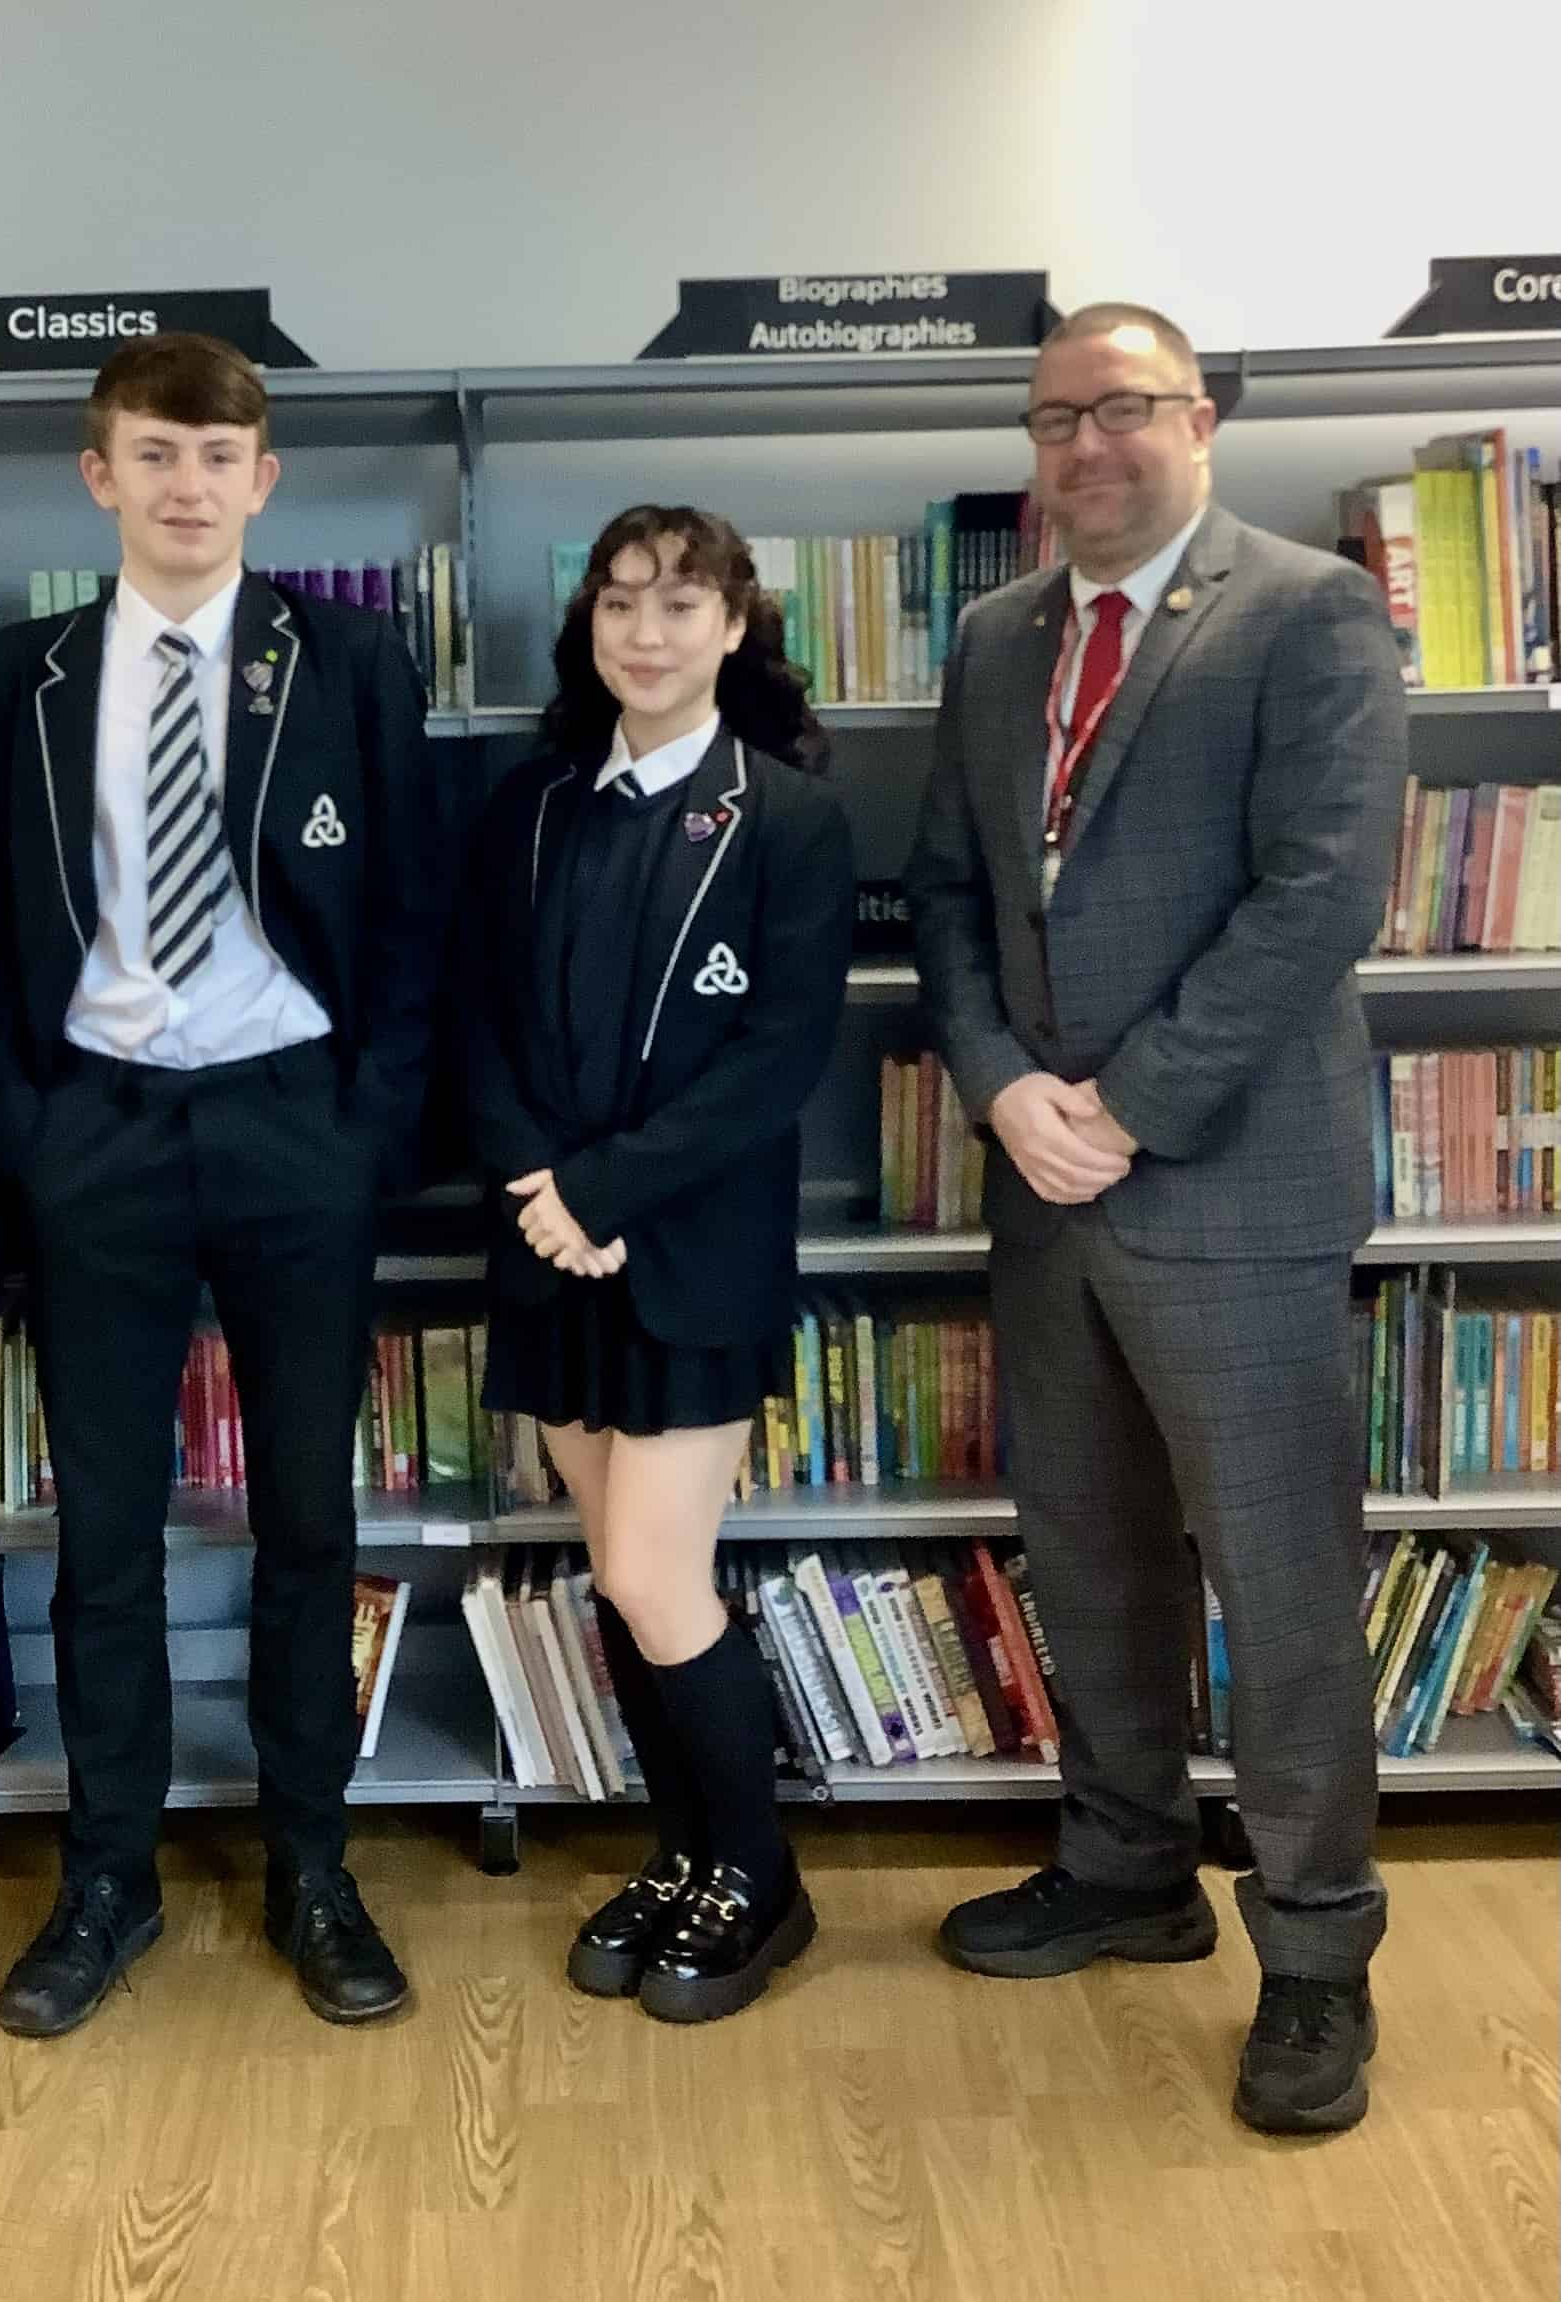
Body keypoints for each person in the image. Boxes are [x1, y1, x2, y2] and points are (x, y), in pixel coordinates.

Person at [906, 302, 1406, 2134]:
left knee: (1275, 1593)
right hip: (1042, 1183)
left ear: (1198, 418)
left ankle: (1318, 1960)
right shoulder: (991, 635)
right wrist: (1001, 1091)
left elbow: (1317, 893)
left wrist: (1122, 1104)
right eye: (1054, 420)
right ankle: (1124, 1871)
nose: (1085, 447)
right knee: (1094, 1555)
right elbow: (947, 893)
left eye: (1120, 410)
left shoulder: (1305, 608)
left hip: (1224, 1180)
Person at [0, 333, 447, 2035]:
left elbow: (409, 920)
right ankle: (108, 1879)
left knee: (308, 1513)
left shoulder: (357, 662)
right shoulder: (8, 673)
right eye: (152, 456)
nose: (184, 486)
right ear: (99, 476)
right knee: (105, 1533)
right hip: (94, 1134)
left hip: (293, 1128)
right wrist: (24, 1122)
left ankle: (313, 1863)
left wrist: (361, 1121)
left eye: (215, 458)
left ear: (263, 480)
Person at [460, 505, 854, 2022]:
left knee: (646, 1567)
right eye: (618, 602)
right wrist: (539, 1191)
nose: (645, 630)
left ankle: (760, 1875)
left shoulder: (790, 816)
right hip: (552, 1248)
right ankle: (686, 1853)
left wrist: (608, 1187)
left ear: (734, 625)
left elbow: (776, 1057)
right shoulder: (534, 808)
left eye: (679, 603)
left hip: (691, 1248)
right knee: (623, 1584)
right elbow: (479, 1022)